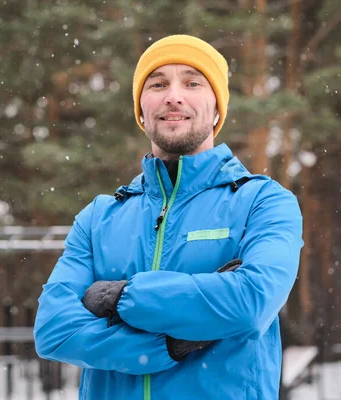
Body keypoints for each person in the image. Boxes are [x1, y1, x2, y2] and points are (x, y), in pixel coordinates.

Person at [34, 34, 303, 400]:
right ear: (141, 112)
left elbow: (251, 303)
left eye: (192, 83)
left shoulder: (263, 202)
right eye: (158, 84)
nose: (173, 95)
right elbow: (54, 331)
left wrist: (121, 297)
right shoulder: (98, 218)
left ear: (217, 109)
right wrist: (169, 345)